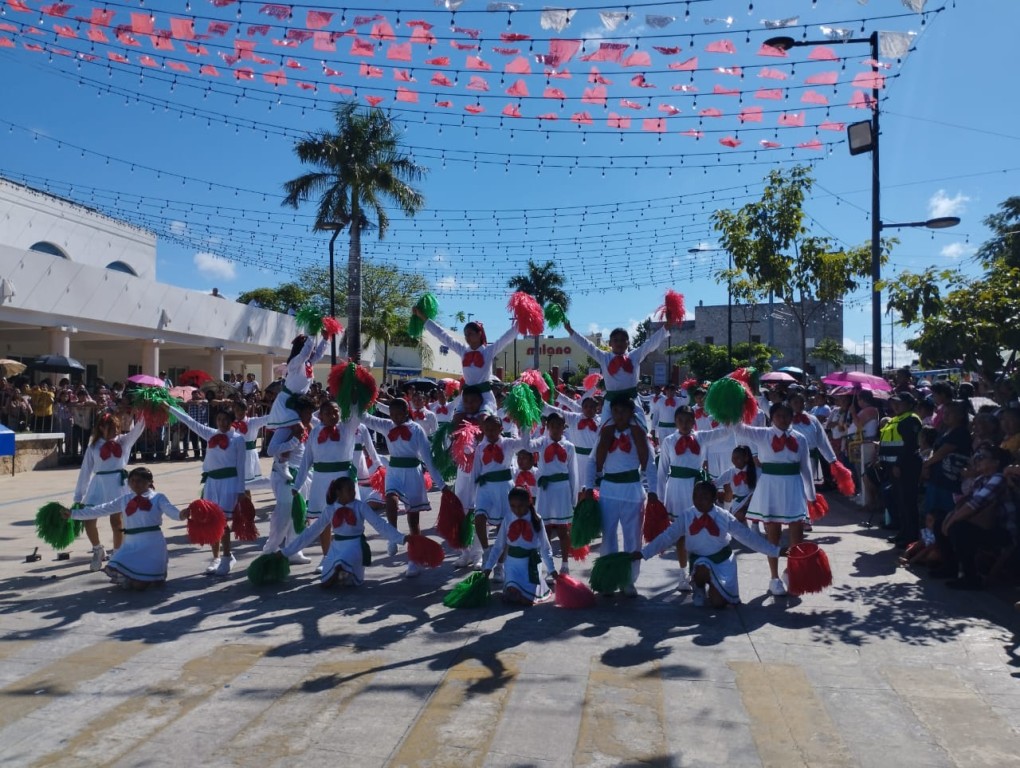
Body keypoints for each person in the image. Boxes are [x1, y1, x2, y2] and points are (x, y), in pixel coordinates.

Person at [634, 481, 787, 607]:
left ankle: (714, 588)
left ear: (714, 499)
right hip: (700, 561)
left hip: (723, 562)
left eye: (704, 497)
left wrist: (775, 551)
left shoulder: (723, 516)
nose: (699, 500)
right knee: (701, 567)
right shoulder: (687, 516)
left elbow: (748, 537)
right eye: (696, 496)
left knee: (718, 604)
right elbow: (667, 536)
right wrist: (644, 552)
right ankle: (698, 586)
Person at [731, 402, 816, 597]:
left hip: (793, 488)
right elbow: (738, 427)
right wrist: (734, 403)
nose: (783, 419)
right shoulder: (763, 434)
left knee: (797, 535)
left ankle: (792, 572)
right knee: (773, 535)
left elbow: (806, 468)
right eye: (779, 416)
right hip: (771, 488)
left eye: (787, 415)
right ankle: (774, 578)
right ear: (772, 417)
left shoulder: (800, 438)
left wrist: (811, 496)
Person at [360, 397, 448, 577]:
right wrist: (354, 401)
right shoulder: (386, 425)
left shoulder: (416, 429)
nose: (395, 417)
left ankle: (414, 561)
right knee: (390, 500)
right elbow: (366, 418)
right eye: (392, 414)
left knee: (413, 521)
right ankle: (392, 536)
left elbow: (427, 458)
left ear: (406, 412)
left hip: (413, 473)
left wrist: (442, 484)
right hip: (394, 471)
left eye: (399, 414)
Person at [67, 467, 188, 589]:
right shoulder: (125, 499)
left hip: (152, 544)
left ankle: (154, 575)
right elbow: (101, 509)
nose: (135, 484)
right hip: (131, 544)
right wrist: (73, 513)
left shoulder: (158, 498)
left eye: (140, 481)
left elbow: (171, 511)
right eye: (132, 481)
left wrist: (181, 515)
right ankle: (137, 577)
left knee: (144, 585)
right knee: (131, 582)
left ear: (149, 482)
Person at [278, 476, 407, 588]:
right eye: (349, 490)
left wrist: (401, 538)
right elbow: (311, 531)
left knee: (341, 564)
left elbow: (380, 524)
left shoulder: (360, 506)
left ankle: (341, 571)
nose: (353, 492)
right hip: (336, 547)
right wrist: (286, 551)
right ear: (338, 492)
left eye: (353, 489)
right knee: (326, 579)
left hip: (355, 545)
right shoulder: (330, 509)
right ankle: (340, 573)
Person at [591, 397, 659, 597]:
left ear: (632, 413)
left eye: (623, 411)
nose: (619, 415)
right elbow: (591, 461)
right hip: (609, 492)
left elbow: (651, 464)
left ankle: (629, 580)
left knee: (633, 539)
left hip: (632, 491)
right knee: (608, 538)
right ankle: (609, 579)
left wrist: (653, 490)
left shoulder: (639, 435)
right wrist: (588, 486)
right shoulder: (605, 434)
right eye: (616, 411)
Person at [169, 403, 246, 576]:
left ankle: (227, 557)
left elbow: (241, 467)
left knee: (224, 522)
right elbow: (190, 421)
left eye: (226, 420)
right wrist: (169, 407)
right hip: (212, 483)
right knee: (211, 521)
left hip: (229, 483)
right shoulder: (210, 435)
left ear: (232, 421)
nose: (222, 423)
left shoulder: (238, 439)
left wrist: (241, 491)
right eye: (219, 419)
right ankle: (216, 557)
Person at [73, 412, 147, 571]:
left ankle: (117, 555)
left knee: (116, 521)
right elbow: (85, 470)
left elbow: (139, 428)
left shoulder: (123, 441)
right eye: (112, 428)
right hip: (98, 485)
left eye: (118, 428)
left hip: (117, 485)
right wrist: (79, 495)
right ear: (101, 428)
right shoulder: (93, 446)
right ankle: (98, 550)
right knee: (89, 519)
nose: (116, 431)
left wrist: (145, 410)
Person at [563, 321, 670, 430]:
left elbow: (650, 343)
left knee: (641, 430)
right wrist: (571, 331)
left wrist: (666, 327)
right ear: (610, 343)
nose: (619, 343)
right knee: (603, 433)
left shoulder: (635, 356)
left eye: (623, 340)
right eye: (616, 340)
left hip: (632, 400)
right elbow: (587, 345)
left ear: (628, 343)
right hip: (610, 401)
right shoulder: (604, 357)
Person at [938, 445, 1014, 590]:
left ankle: (971, 578)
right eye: (976, 457)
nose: (977, 460)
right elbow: (964, 503)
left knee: (958, 528)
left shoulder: (998, 478)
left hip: (1003, 531)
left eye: (982, 457)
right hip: (983, 525)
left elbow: (975, 504)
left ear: (996, 462)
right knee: (939, 522)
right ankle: (950, 567)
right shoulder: (981, 479)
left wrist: (951, 521)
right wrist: (948, 519)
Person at [291, 400, 359, 563]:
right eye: (327, 412)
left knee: (346, 519)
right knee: (324, 520)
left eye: (335, 411)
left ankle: (346, 556)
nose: (333, 415)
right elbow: (306, 460)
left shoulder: (347, 427)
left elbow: (356, 411)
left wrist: (354, 395)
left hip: (343, 480)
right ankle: (327, 557)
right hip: (321, 481)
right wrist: (297, 485)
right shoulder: (315, 432)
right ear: (320, 416)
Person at [414, 311, 519, 415]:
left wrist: (521, 322)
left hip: (484, 395)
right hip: (467, 396)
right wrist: (424, 318)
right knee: (456, 422)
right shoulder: (463, 350)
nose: (467, 337)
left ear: (479, 334)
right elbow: (442, 335)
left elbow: (506, 338)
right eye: (465, 335)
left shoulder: (488, 351)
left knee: (484, 419)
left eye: (470, 334)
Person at [470, 414, 533, 582]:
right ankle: (486, 550)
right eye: (487, 429)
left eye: (494, 429)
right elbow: (475, 472)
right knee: (479, 517)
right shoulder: (480, 448)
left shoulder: (508, 443)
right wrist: (472, 497)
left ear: (501, 429)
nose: (490, 432)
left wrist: (525, 425)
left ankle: (500, 565)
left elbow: (525, 444)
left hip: (504, 487)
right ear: (483, 429)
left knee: (503, 527)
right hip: (485, 488)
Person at [262, 396, 317, 566]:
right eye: (304, 413)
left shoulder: (312, 428)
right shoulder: (286, 428)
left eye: (310, 413)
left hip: (303, 475)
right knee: (284, 514)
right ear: (296, 413)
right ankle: (270, 549)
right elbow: (270, 450)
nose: (308, 416)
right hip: (284, 475)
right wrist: (294, 439)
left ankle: (293, 549)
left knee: (299, 514)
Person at [482, 487, 557, 605]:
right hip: (512, 565)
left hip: (530, 565)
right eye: (512, 506)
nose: (517, 510)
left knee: (526, 601)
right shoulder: (507, 518)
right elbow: (498, 546)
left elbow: (545, 547)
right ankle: (512, 588)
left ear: (529, 502)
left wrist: (552, 570)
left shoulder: (537, 519)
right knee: (513, 594)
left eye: (520, 505)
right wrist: (488, 567)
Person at [529, 412, 579, 575]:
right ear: (547, 427)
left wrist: (573, 497)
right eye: (553, 425)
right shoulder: (542, 442)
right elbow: (527, 446)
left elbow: (573, 473)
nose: (556, 429)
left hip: (562, 490)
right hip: (546, 491)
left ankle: (565, 563)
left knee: (563, 530)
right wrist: (523, 423)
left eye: (560, 425)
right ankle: (547, 564)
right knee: (546, 530)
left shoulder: (570, 446)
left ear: (564, 427)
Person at [266, 332, 330, 430]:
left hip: (300, 402)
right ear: (302, 349)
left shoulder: (308, 364)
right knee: (289, 430)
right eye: (311, 348)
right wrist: (311, 336)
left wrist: (325, 339)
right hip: (286, 402)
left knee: (317, 425)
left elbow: (318, 355)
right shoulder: (294, 363)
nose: (313, 351)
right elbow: (305, 354)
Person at [230, 399, 270, 485]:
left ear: (246, 410)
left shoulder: (253, 422)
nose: (239, 412)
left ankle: (246, 498)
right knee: (236, 482)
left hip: (249, 454)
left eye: (242, 409)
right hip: (236, 454)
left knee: (247, 484)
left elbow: (267, 419)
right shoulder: (231, 424)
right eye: (237, 410)